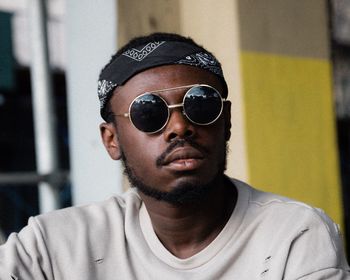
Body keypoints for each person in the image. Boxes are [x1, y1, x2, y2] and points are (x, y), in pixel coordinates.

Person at [0, 32, 349, 279]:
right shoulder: (54, 246)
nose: (179, 127)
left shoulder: (293, 235)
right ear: (111, 140)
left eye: (201, 105)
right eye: (149, 113)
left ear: (225, 122)